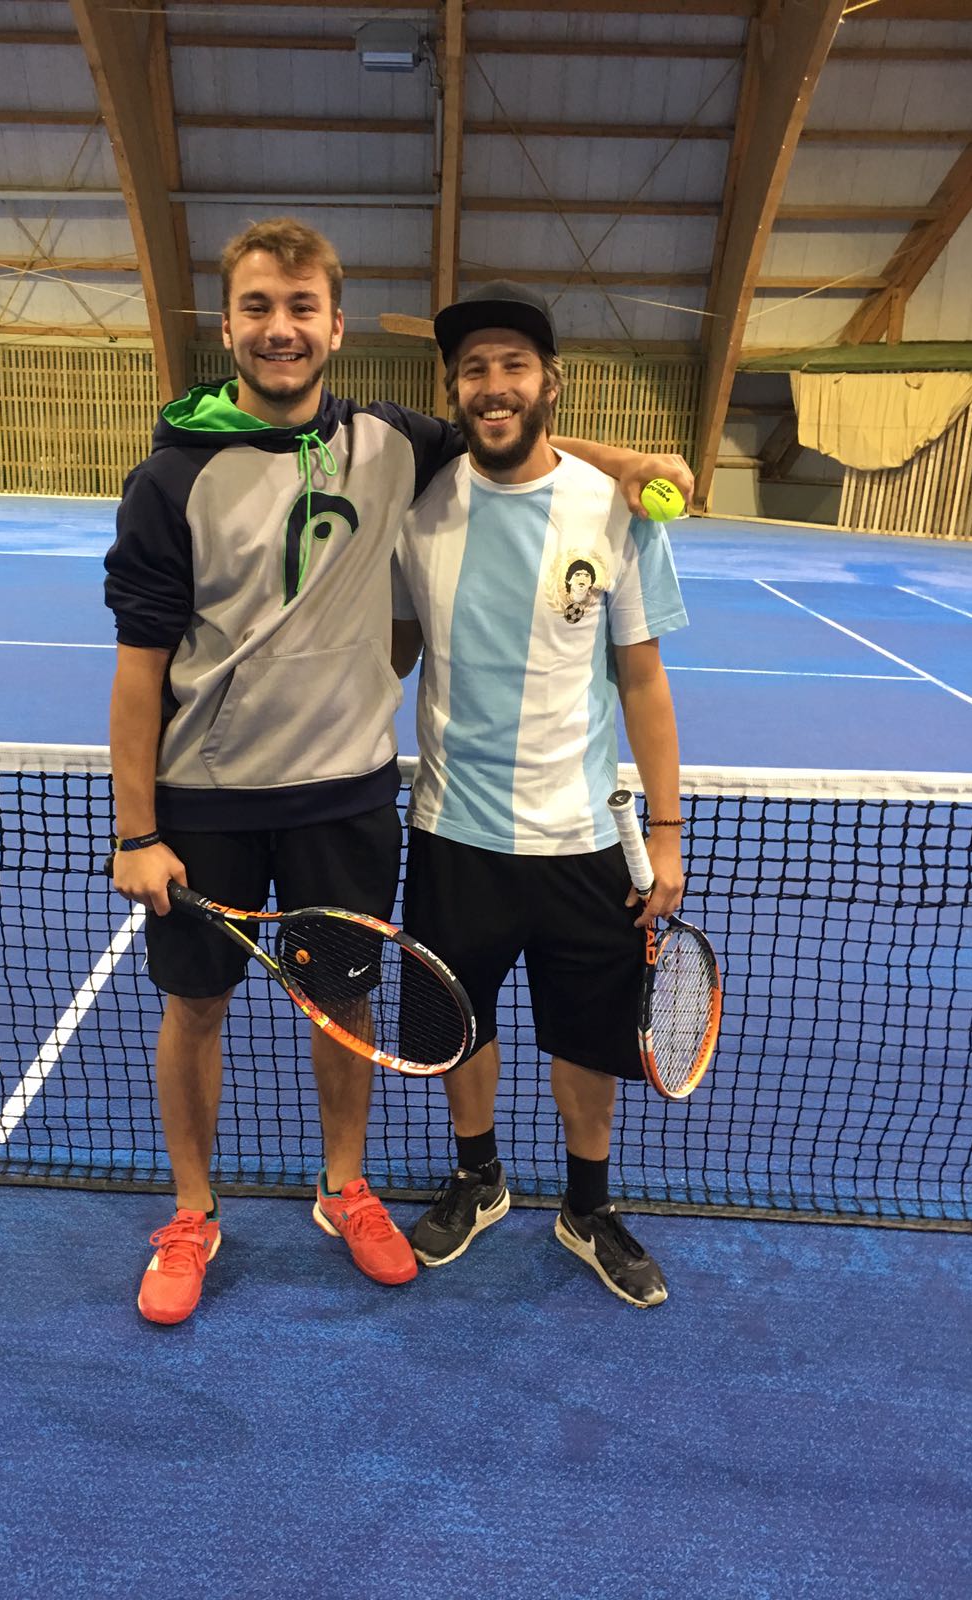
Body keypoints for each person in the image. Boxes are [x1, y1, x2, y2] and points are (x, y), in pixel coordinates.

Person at [105, 219, 693, 1325]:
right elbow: (141, 671)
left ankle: (362, 1189)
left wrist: (630, 466)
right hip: (234, 803)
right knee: (199, 1007)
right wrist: (137, 831)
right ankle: (195, 1212)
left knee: (349, 1004)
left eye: (301, 308)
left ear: (335, 325)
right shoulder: (178, 478)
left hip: (357, 800)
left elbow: (520, 447)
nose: (281, 329)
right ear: (226, 324)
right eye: (258, 308)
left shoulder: (390, 446)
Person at [390, 280, 687, 1307]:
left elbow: (642, 680)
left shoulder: (612, 509)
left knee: (588, 1037)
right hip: (452, 832)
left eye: (513, 364)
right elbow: (389, 652)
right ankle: (478, 1176)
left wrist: (665, 832)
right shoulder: (418, 506)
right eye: (474, 367)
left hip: (582, 840)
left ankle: (587, 1207)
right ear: (454, 388)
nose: (494, 384)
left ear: (550, 382)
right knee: (460, 1026)